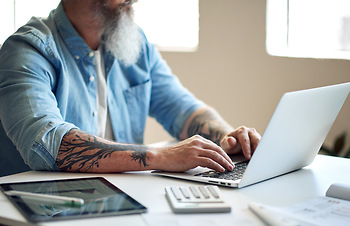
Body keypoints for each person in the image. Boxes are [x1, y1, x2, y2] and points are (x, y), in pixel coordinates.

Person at [0, 0, 261, 179]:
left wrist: (228, 137)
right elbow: (48, 144)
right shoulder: (27, 51)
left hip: (119, 205)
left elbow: (182, 108)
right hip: (43, 222)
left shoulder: (136, 44)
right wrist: (162, 156)